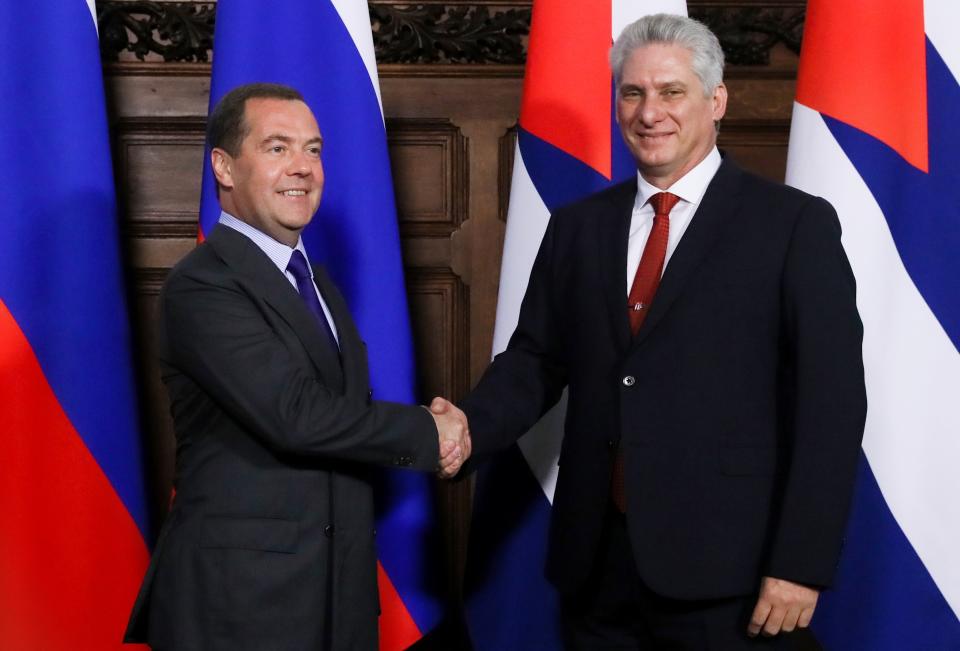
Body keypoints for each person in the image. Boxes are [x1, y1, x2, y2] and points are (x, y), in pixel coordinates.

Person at [436, 13, 866, 649]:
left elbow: (831, 406)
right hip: (596, 570)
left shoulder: (793, 226)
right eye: (632, 93)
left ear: (716, 101)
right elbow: (534, 360)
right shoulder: (578, 228)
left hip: (733, 574)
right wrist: (469, 427)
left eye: (671, 92)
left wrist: (799, 566)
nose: (648, 112)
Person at [124, 83, 469, 651]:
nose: (303, 168)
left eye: (313, 149)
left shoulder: (314, 280)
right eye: (278, 148)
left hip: (335, 597)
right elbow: (296, 415)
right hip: (239, 607)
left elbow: (342, 416)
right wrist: (430, 434)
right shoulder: (203, 285)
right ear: (224, 167)